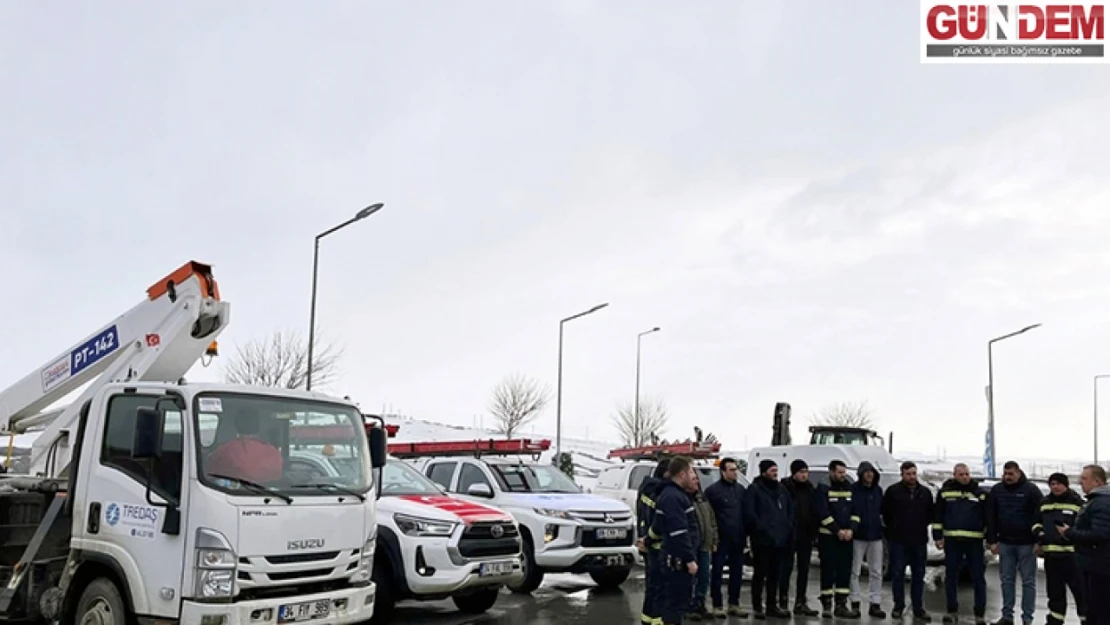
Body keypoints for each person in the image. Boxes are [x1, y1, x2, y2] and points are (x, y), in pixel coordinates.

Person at [986, 461, 1043, 625]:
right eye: (1005, 474)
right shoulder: (997, 490)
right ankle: (1007, 616)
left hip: (1027, 544)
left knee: (1028, 582)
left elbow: (1040, 515)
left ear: (1019, 473)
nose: (1008, 477)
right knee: (1006, 580)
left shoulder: (1031, 490)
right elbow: (991, 516)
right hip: (1005, 542)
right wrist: (992, 540)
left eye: (1011, 474)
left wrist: (1039, 540)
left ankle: (1027, 618)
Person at [933, 463, 988, 625]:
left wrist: (990, 539)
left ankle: (979, 614)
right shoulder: (944, 493)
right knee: (951, 578)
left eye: (966, 474)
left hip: (975, 542)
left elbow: (989, 517)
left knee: (978, 579)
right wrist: (937, 536)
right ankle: (951, 611)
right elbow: (938, 516)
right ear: (954, 475)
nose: (964, 477)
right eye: (961, 474)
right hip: (952, 542)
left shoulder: (980, 494)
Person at [882, 460, 934, 622]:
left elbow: (929, 515)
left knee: (919, 576)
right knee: (897, 575)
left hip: (918, 541)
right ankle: (898, 606)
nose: (912, 477)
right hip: (898, 541)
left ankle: (918, 608)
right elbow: (886, 514)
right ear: (902, 474)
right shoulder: (893, 492)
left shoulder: (925, 492)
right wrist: (895, 529)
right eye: (908, 474)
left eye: (914, 473)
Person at [653, 456, 702, 625]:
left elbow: (658, 527)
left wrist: (647, 540)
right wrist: (689, 560)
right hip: (677, 562)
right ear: (682, 475)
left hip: (676, 560)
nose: (694, 475)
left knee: (677, 606)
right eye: (691, 471)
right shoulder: (673, 497)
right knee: (674, 608)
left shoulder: (675, 495)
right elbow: (678, 532)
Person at [743, 459, 794, 619]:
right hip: (762, 540)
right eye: (772, 470)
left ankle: (772, 605)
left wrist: (787, 528)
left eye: (776, 470)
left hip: (780, 540)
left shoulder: (781, 489)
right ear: (764, 471)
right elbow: (750, 513)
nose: (775, 473)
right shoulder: (755, 489)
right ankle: (757, 606)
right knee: (760, 574)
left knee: (775, 575)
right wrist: (760, 530)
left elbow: (789, 509)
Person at [1034, 473, 1086, 625]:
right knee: (1055, 594)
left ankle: (1086, 620)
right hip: (1051, 557)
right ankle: (1055, 621)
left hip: (1073, 557)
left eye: (1058, 484)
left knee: (1081, 593)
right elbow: (1036, 522)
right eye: (1052, 484)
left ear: (1066, 485)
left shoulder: (1077, 503)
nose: (1055, 487)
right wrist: (1040, 534)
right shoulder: (1044, 503)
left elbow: (1083, 528)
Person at [1061, 464, 1110, 625]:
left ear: (1096, 481)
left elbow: (1100, 534)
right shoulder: (1095, 501)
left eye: (1084, 478)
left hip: (1099, 567)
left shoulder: (1101, 503)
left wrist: (1070, 533)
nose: (1080, 482)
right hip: (1093, 564)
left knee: (1099, 611)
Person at [705, 457, 748, 618]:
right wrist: (713, 538)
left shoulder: (741, 490)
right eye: (731, 470)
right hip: (721, 539)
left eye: (736, 469)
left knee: (737, 572)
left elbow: (745, 513)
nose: (735, 472)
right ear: (723, 472)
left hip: (738, 538)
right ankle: (717, 605)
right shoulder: (713, 491)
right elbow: (709, 516)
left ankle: (734, 603)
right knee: (716, 572)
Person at [816, 459, 858, 619]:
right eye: (840, 472)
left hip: (846, 537)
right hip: (828, 538)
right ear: (831, 472)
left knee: (844, 571)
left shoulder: (849, 486)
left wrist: (851, 529)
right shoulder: (823, 487)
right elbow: (822, 513)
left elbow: (855, 511)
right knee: (828, 571)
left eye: (844, 472)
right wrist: (837, 531)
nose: (843, 475)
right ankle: (826, 603)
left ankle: (841, 604)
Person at [780, 459, 819, 617]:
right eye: (801, 472)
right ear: (794, 473)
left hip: (806, 534)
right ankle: (782, 600)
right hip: (789, 535)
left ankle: (801, 602)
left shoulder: (810, 489)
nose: (804, 475)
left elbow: (814, 510)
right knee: (786, 569)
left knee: (804, 570)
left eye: (806, 472)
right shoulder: (785, 488)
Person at [205, 408, 282, 483]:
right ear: (258, 426)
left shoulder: (226, 450)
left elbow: (208, 471)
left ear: (236, 425)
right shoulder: (274, 452)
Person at [850, 461, 886, 618]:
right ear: (861, 474)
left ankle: (875, 603)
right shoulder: (853, 490)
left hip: (876, 536)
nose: (869, 475)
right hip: (858, 536)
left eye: (872, 472)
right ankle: (855, 602)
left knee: (877, 571)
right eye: (866, 472)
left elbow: (883, 511)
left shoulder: (878, 491)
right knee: (854, 571)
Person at [638, 458, 670, 625]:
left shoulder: (647, 488)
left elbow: (642, 517)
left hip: (649, 544)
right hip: (657, 545)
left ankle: (647, 619)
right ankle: (657, 620)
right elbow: (657, 521)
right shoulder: (658, 492)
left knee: (652, 586)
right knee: (660, 587)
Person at [689, 474, 719, 621]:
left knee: (704, 577)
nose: (697, 482)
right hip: (692, 546)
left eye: (697, 479)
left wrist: (714, 539)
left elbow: (711, 520)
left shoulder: (703, 498)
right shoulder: (684, 499)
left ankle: (700, 604)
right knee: (691, 578)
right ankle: (690, 606)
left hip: (705, 544)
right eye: (694, 479)